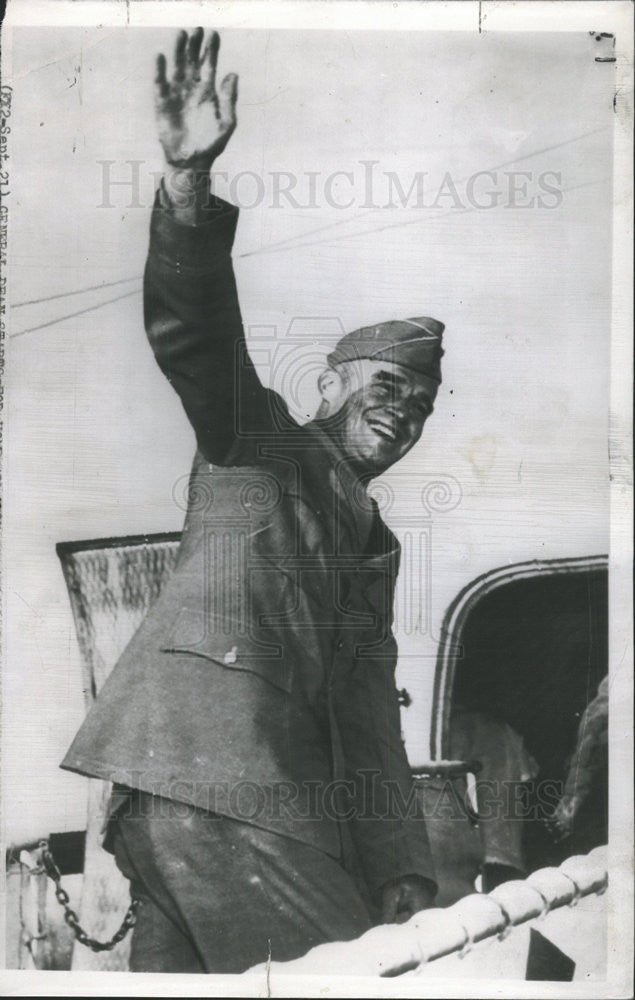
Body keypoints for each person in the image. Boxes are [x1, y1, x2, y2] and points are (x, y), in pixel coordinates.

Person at [62, 27, 445, 973]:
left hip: (188, 803)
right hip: (220, 781)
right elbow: (196, 331)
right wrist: (187, 186)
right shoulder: (262, 442)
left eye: (424, 402)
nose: (405, 412)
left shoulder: (373, 543)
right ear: (326, 386)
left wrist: (399, 857)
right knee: (343, 980)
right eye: (386, 387)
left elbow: (362, 707)